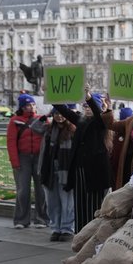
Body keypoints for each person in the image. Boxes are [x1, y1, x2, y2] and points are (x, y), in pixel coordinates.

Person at [52, 87, 112, 232]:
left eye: (89, 106)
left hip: (95, 171)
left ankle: (93, 235)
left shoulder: (101, 121)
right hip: (80, 169)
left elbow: (98, 114)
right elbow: (65, 111)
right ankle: (80, 233)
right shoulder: (81, 120)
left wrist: (89, 98)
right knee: (80, 204)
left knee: (93, 205)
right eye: (84, 105)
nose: (86, 108)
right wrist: (51, 94)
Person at [32, 106, 76, 241]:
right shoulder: (49, 129)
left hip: (66, 171)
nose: (60, 117)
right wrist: (45, 116)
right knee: (52, 202)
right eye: (56, 114)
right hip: (50, 170)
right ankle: (56, 228)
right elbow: (34, 127)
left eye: (62, 114)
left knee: (67, 202)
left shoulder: (73, 130)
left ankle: (67, 229)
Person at [6, 94, 48, 229]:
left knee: (41, 190)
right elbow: (11, 143)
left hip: (39, 158)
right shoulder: (15, 121)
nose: (31, 107)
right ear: (22, 107)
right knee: (23, 190)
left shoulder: (41, 120)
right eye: (28, 105)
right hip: (22, 158)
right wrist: (15, 162)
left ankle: (41, 219)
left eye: (33, 105)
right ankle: (21, 220)